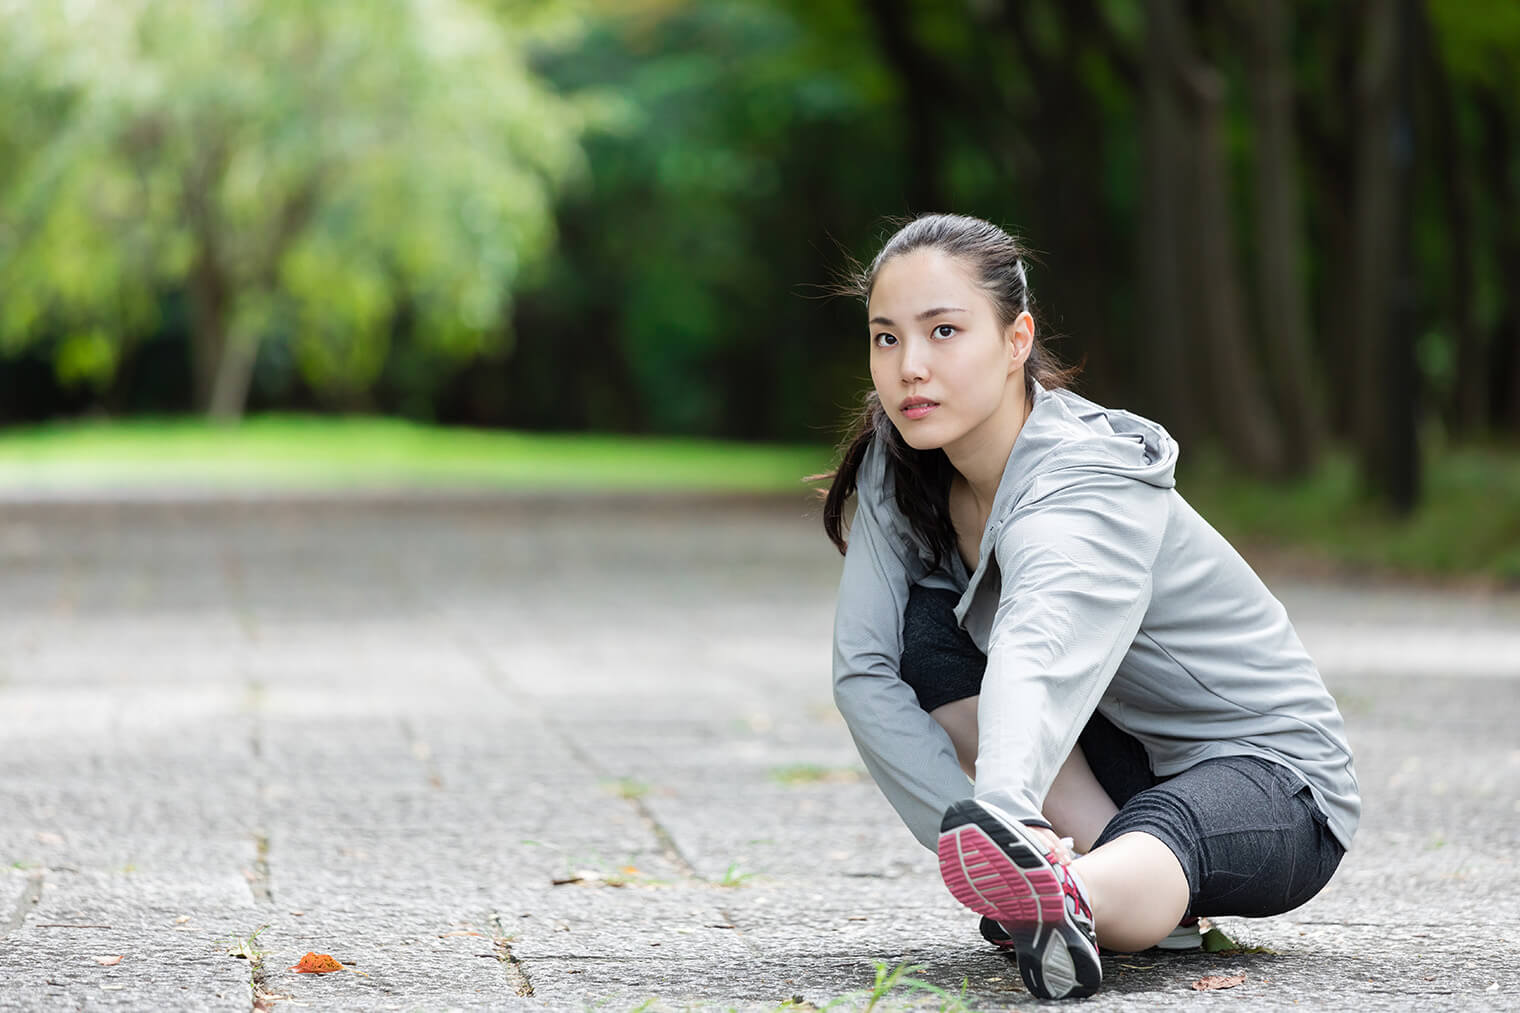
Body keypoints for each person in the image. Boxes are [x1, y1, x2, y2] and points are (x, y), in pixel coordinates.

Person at [821, 213, 1358, 1000]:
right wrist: (974, 835)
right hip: (1117, 759)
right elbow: (862, 670)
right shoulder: (898, 466)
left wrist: (1002, 806)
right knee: (925, 632)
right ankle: (1045, 876)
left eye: (943, 330)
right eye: (887, 337)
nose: (910, 367)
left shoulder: (1085, 477)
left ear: (1015, 340)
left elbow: (1039, 648)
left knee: (1167, 824)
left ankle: (1074, 897)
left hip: (1272, 783)